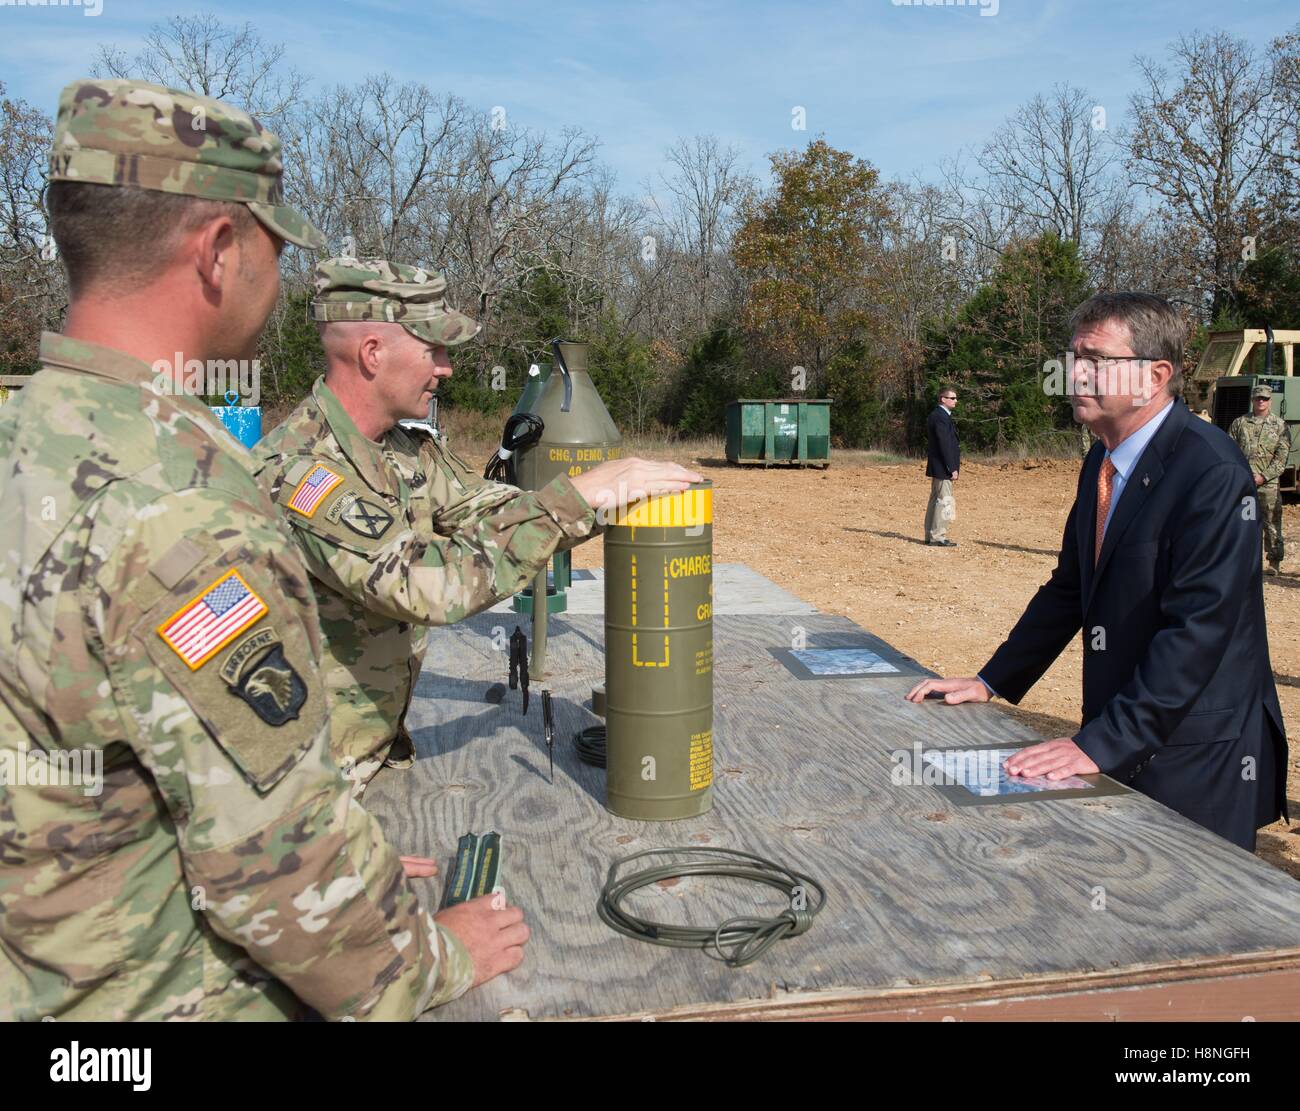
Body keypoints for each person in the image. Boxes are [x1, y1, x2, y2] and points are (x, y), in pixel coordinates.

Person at [0, 80, 522, 1021]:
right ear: (218, 250)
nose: (278, 278)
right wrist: (431, 956)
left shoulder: (26, 437)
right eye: (274, 247)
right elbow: (277, 870)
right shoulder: (180, 508)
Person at [254, 258, 702, 795]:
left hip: (371, 764)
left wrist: (605, 501)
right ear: (372, 353)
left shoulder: (404, 448)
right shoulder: (300, 471)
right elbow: (425, 585)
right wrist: (575, 499)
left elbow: (489, 511)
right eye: (433, 349)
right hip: (308, 796)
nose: (445, 367)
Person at [907, 292, 1287, 852]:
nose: (1074, 374)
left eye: (1094, 360)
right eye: (1072, 358)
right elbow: (1071, 587)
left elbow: (1199, 631)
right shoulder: (1102, 459)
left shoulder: (1211, 473)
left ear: (1155, 375)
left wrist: (1100, 745)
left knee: (1194, 917)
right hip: (1127, 733)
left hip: (1194, 752)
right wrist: (992, 680)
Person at [1229, 384, 1290, 575]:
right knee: (1241, 521)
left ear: (1270, 400)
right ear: (1252, 400)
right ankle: (1243, 559)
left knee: (1271, 522)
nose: (1261, 401)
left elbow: (1282, 459)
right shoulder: (1239, 423)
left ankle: (1274, 561)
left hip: (1268, 484)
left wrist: (1263, 477)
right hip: (1243, 482)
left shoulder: (1280, 426)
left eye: (1264, 398)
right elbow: (1229, 450)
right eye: (1257, 398)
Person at [925, 386, 959, 546]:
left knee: (935, 500)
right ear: (943, 399)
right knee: (944, 501)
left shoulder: (937, 415)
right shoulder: (940, 417)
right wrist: (951, 467)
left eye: (955, 398)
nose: (955, 401)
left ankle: (930, 535)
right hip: (943, 467)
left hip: (938, 466)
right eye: (952, 398)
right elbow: (944, 444)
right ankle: (938, 536)